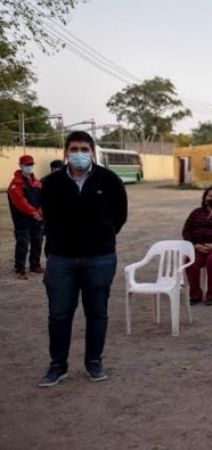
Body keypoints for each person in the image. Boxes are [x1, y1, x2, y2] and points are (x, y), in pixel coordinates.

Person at [37, 131, 128, 387]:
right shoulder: (51, 183)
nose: (79, 154)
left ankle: (94, 362)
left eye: (84, 149)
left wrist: (101, 237)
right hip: (61, 260)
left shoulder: (109, 180)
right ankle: (58, 366)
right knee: (59, 315)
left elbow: (119, 216)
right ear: (65, 153)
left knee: (97, 313)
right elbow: (48, 218)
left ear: (93, 153)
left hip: (100, 259)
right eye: (74, 149)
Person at [8, 155, 44, 280]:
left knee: (37, 241)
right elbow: (19, 202)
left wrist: (40, 212)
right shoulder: (16, 184)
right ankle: (20, 269)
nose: (29, 167)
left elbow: (43, 199)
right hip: (22, 219)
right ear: (21, 165)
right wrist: (34, 213)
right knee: (23, 243)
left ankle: (35, 265)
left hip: (37, 218)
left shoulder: (37, 182)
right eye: (27, 164)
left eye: (31, 164)